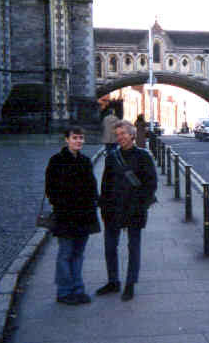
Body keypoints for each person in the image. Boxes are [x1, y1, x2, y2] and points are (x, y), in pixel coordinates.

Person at [97, 120, 157, 301]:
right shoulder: (112, 157)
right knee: (110, 247)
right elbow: (105, 184)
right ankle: (113, 281)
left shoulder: (143, 156)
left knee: (133, 247)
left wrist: (141, 206)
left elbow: (151, 185)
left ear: (132, 135)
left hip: (134, 210)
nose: (120, 137)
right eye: (118, 134)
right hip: (113, 209)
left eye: (124, 133)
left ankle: (130, 284)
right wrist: (104, 206)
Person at [45, 126, 100, 305]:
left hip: (84, 216)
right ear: (66, 139)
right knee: (65, 254)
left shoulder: (85, 161)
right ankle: (64, 291)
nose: (79, 141)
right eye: (75, 138)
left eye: (81, 138)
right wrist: (62, 206)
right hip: (66, 216)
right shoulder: (56, 161)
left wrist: (94, 203)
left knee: (78, 254)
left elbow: (92, 187)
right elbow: (51, 189)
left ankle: (78, 289)